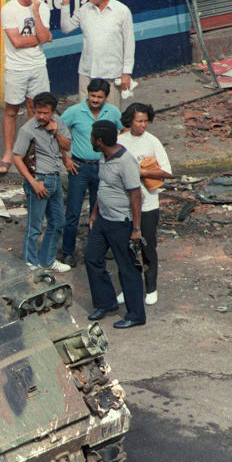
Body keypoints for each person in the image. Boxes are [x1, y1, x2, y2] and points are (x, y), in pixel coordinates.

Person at [84, 120, 145, 329]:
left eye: (92, 136)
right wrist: (94, 214)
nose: (90, 140)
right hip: (103, 220)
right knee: (91, 257)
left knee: (127, 268)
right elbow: (104, 187)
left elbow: (136, 196)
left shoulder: (125, 162)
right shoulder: (103, 157)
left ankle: (136, 314)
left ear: (99, 141)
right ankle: (106, 303)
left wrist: (136, 229)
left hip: (122, 223)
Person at [59, 78, 123, 266]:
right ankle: (68, 252)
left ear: (106, 97)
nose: (95, 100)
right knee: (73, 212)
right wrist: (66, 159)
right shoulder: (74, 112)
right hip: (79, 167)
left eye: (99, 97)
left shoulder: (112, 112)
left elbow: (125, 131)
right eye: (92, 96)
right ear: (87, 94)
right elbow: (57, 133)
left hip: (103, 167)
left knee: (102, 210)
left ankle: (98, 250)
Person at [0, 0, 52, 176]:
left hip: (37, 66)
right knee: (12, 110)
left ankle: (28, 151)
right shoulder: (8, 9)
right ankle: (8, 152)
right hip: (16, 68)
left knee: (34, 109)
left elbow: (45, 36)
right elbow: (18, 42)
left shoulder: (42, 7)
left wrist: (36, 14)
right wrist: (41, 37)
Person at [11, 91, 73, 272]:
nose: (41, 116)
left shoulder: (58, 123)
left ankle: (47, 260)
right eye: (38, 112)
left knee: (57, 222)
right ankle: (30, 264)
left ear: (52, 112)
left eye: (45, 113)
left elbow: (67, 145)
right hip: (39, 180)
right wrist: (33, 183)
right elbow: (17, 159)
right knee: (34, 226)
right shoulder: (27, 130)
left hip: (54, 178)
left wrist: (55, 132)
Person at [117, 103, 172, 305]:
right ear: (130, 121)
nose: (143, 125)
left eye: (145, 121)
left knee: (147, 246)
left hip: (148, 204)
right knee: (125, 248)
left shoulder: (152, 142)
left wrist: (142, 172)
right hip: (124, 205)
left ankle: (151, 288)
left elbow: (166, 171)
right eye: (139, 121)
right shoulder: (119, 141)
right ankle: (129, 287)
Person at [59, 0, 135, 108]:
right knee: (85, 114)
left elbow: (129, 43)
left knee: (111, 116)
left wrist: (126, 73)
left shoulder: (122, 11)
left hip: (111, 74)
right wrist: (65, 4)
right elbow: (66, 28)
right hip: (86, 73)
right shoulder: (84, 10)